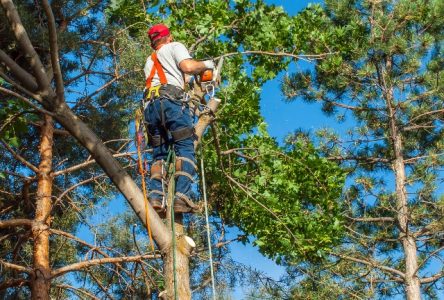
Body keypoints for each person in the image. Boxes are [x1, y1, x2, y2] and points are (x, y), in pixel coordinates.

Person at [143, 24, 214, 213]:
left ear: (153, 42)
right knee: (185, 149)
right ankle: (181, 198)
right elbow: (188, 66)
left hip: (151, 109)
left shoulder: (149, 61)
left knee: (159, 155)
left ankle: (156, 198)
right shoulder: (174, 47)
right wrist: (207, 64)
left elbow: (178, 77)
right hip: (171, 104)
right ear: (169, 37)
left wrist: (194, 81)